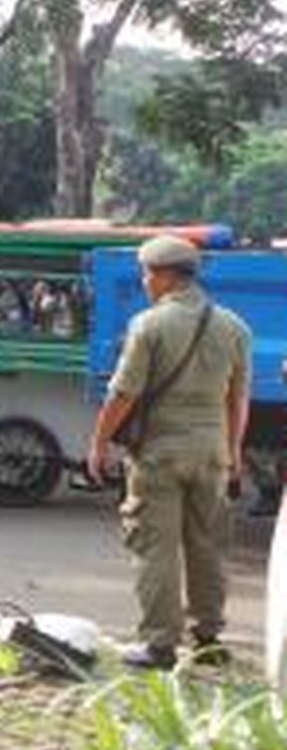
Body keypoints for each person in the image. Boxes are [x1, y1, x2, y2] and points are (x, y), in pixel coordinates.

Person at [88, 235, 251, 670]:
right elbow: (238, 400)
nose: (144, 282)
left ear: (163, 276)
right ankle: (209, 639)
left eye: (146, 274)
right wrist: (233, 452)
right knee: (208, 546)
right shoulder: (235, 326)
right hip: (211, 453)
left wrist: (99, 443)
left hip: (159, 454)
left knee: (155, 546)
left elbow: (123, 394)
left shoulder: (149, 325)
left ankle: (160, 644)